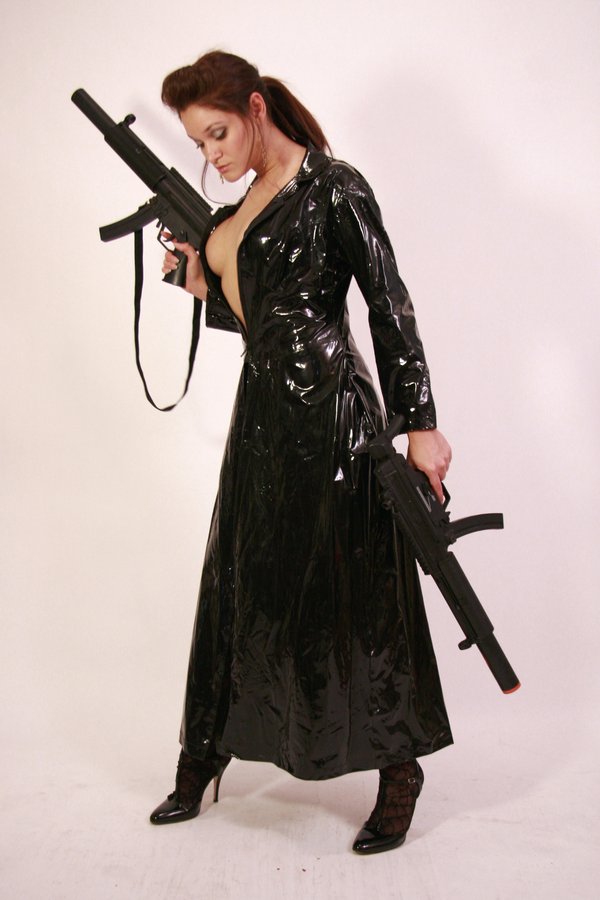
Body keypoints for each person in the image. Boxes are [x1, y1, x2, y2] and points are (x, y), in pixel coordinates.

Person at [149, 50, 453, 855]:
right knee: (238, 582)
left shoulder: (334, 188)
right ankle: (203, 755)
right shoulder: (243, 206)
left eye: (218, 133)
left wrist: (420, 422)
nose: (211, 154)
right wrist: (201, 285)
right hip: (261, 425)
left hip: (335, 427)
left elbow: (388, 304)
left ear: (255, 108)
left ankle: (399, 772)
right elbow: (265, 317)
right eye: (199, 142)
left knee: (361, 598)